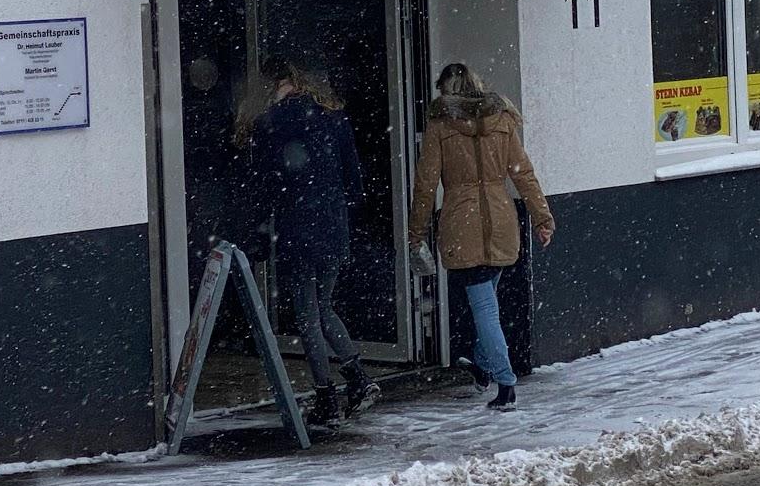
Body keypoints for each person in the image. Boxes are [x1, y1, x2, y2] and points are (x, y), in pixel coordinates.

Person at [236, 56, 380, 426]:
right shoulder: (333, 118)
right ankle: (357, 379)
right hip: (332, 226)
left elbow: (264, 187)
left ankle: (328, 397)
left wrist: (259, 235)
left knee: (307, 317)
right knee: (324, 306)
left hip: (297, 229)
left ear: (272, 86)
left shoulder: (271, 125)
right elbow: (355, 184)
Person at [408, 63, 555, 412]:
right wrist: (542, 217)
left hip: (463, 223)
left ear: (446, 90)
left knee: (485, 309)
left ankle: (505, 383)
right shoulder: (502, 121)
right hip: (501, 220)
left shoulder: (440, 126)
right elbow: (524, 175)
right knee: (488, 304)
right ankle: (483, 366)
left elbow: (426, 185)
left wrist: (415, 232)